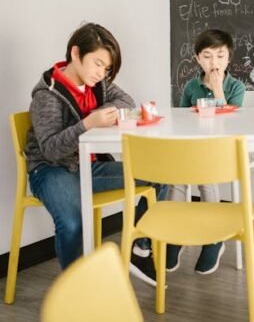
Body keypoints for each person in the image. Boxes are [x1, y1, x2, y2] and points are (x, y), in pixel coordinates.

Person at [24, 22, 161, 285]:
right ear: (76, 54)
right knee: (73, 223)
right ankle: (76, 291)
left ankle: (139, 249)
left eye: (106, 67)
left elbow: (126, 102)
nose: (101, 73)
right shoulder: (47, 95)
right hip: (51, 170)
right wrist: (89, 124)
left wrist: (95, 116)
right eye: (97, 63)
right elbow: (51, 149)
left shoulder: (97, 84)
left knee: (159, 174)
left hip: (89, 168)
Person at [167, 28, 246, 275]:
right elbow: (179, 120)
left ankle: (213, 239)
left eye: (220, 56)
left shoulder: (236, 87)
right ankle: (175, 236)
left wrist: (218, 90)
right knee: (175, 181)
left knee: (206, 180)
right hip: (193, 148)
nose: (214, 62)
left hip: (221, 151)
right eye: (208, 56)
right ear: (197, 58)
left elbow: (232, 124)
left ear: (228, 59)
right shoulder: (191, 87)